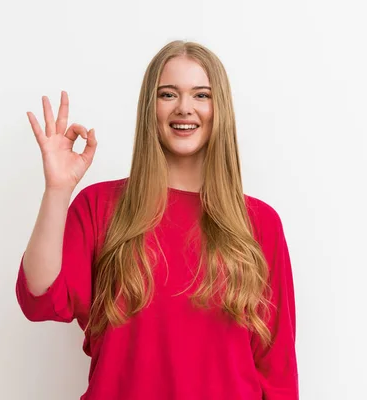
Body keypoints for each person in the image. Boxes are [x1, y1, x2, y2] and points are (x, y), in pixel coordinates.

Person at [15, 40, 299, 400]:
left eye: (201, 95)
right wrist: (57, 190)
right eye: (168, 94)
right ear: (151, 107)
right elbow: (40, 300)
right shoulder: (100, 206)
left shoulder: (260, 224)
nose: (184, 108)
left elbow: (278, 373)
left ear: (220, 108)